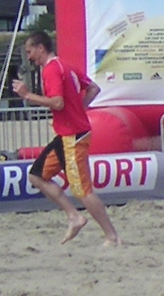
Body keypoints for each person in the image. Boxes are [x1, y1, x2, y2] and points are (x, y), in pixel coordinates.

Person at [11, 31, 122, 247]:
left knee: (82, 189)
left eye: (30, 51)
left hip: (73, 136)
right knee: (36, 175)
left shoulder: (52, 69)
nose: (29, 56)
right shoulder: (65, 66)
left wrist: (27, 95)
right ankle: (74, 216)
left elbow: (57, 102)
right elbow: (93, 88)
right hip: (68, 134)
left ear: (40, 48)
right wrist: (78, 110)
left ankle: (111, 235)